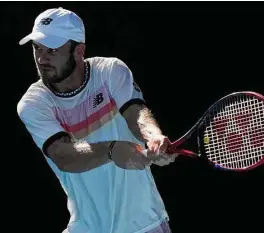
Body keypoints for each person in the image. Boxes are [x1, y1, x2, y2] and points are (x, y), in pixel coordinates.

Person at [17, 7, 178, 233]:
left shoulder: (110, 71)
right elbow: (63, 155)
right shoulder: (34, 103)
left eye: (52, 50)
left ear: (79, 50)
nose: (42, 58)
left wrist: (154, 138)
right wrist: (111, 151)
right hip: (86, 227)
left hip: (143, 225)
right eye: (37, 48)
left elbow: (136, 114)